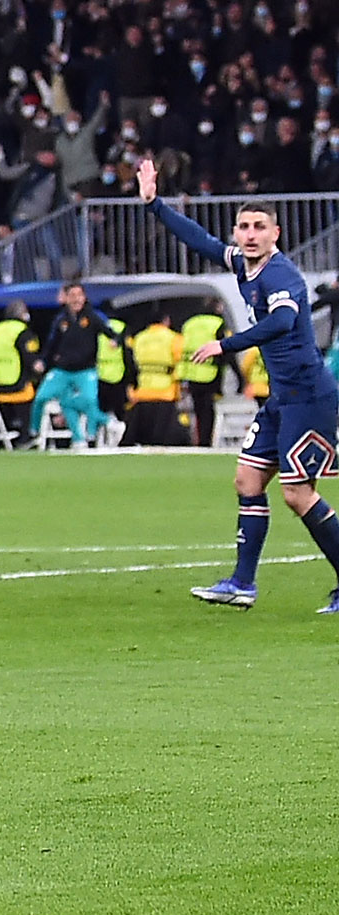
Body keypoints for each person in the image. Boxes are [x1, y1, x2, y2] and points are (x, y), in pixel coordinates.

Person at [137, 158, 339, 613]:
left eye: (258, 226)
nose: (249, 233)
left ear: (275, 234)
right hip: (279, 399)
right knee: (247, 479)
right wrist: (154, 205)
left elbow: (284, 321)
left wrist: (224, 344)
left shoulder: (279, 275)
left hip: (308, 396)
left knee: (297, 493)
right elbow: (198, 239)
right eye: (243, 226)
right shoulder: (241, 264)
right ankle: (242, 584)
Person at [30, 282, 122, 448]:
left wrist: (115, 341)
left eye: (79, 296)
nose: (76, 299)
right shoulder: (61, 320)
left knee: (88, 401)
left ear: (84, 297)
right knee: (42, 397)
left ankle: (104, 424)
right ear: (66, 298)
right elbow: (52, 344)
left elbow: (113, 334)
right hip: (63, 370)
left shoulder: (92, 317)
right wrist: (43, 361)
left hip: (85, 370)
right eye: (72, 296)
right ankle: (34, 432)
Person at [124, 312, 186, 446]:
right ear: (166, 321)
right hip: (165, 391)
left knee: (144, 435)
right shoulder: (174, 338)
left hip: (143, 390)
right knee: (163, 436)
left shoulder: (139, 338)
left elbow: (131, 362)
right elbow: (180, 362)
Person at [0, 301, 41, 438]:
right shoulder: (22, 331)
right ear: (23, 314)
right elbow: (31, 359)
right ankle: (28, 437)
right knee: (37, 397)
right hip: (17, 385)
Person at [181, 300, 230, 446]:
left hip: (191, 372)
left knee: (197, 410)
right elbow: (224, 349)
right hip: (210, 373)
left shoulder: (189, 324)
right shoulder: (217, 323)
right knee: (208, 410)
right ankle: (205, 441)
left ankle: (198, 440)